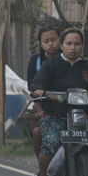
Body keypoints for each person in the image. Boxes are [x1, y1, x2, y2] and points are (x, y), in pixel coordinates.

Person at [30, 28, 88, 176]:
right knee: (52, 142)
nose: (73, 47)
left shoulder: (87, 67)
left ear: (82, 46)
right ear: (62, 45)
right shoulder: (50, 65)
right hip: (54, 115)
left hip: (79, 115)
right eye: (69, 43)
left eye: (77, 44)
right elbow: (37, 83)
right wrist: (39, 90)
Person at [27, 26, 61, 166]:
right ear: (41, 44)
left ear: (60, 40)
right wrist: (39, 107)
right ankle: (43, 173)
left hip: (70, 105)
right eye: (46, 41)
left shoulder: (69, 57)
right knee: (38, 133)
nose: (50, 44)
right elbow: (32, 86)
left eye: (54, 40)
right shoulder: (36, 61)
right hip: (46, 107)